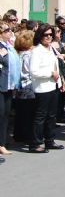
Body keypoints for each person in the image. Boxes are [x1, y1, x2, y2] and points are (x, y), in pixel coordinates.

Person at [29, 24, 65, 153]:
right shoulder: (37, 51)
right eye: (46, 35)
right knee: (41, 116)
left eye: (51, 34)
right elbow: (33, 71)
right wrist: (50, 74)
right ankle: (36, 143)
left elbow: (56, 66)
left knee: (51, 116)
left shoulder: (51, 49)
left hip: (54, 85)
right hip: (42, 88)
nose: (49, 37)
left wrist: (60, 80)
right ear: (40, 36)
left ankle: (49, 140)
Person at [0, 22, 21, 155]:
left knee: (6, 114)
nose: (10, 32)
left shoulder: (9, 46)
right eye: (6, 30)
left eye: (10, 30)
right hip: (1, 85)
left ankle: (3, 140)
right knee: (1, 114)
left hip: (8, 85)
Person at [13, 30, 36, 145]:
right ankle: (27, 135)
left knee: (21, 112)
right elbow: (30, 71)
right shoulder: (28, 55)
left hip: (20, 86)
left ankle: (19, 134)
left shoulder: (19, 53)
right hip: (28, 85)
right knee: (28, 112)